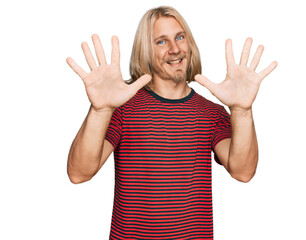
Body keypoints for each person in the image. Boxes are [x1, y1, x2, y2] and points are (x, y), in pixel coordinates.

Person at [66, 6, 277, 240]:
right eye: (161, 42)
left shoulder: (211, 113)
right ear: (145, 51)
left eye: (179, 37)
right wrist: (100, 110)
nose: (175, 49)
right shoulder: (122, 108)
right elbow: (79, 173)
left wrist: (242, 109)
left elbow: (243, 171)